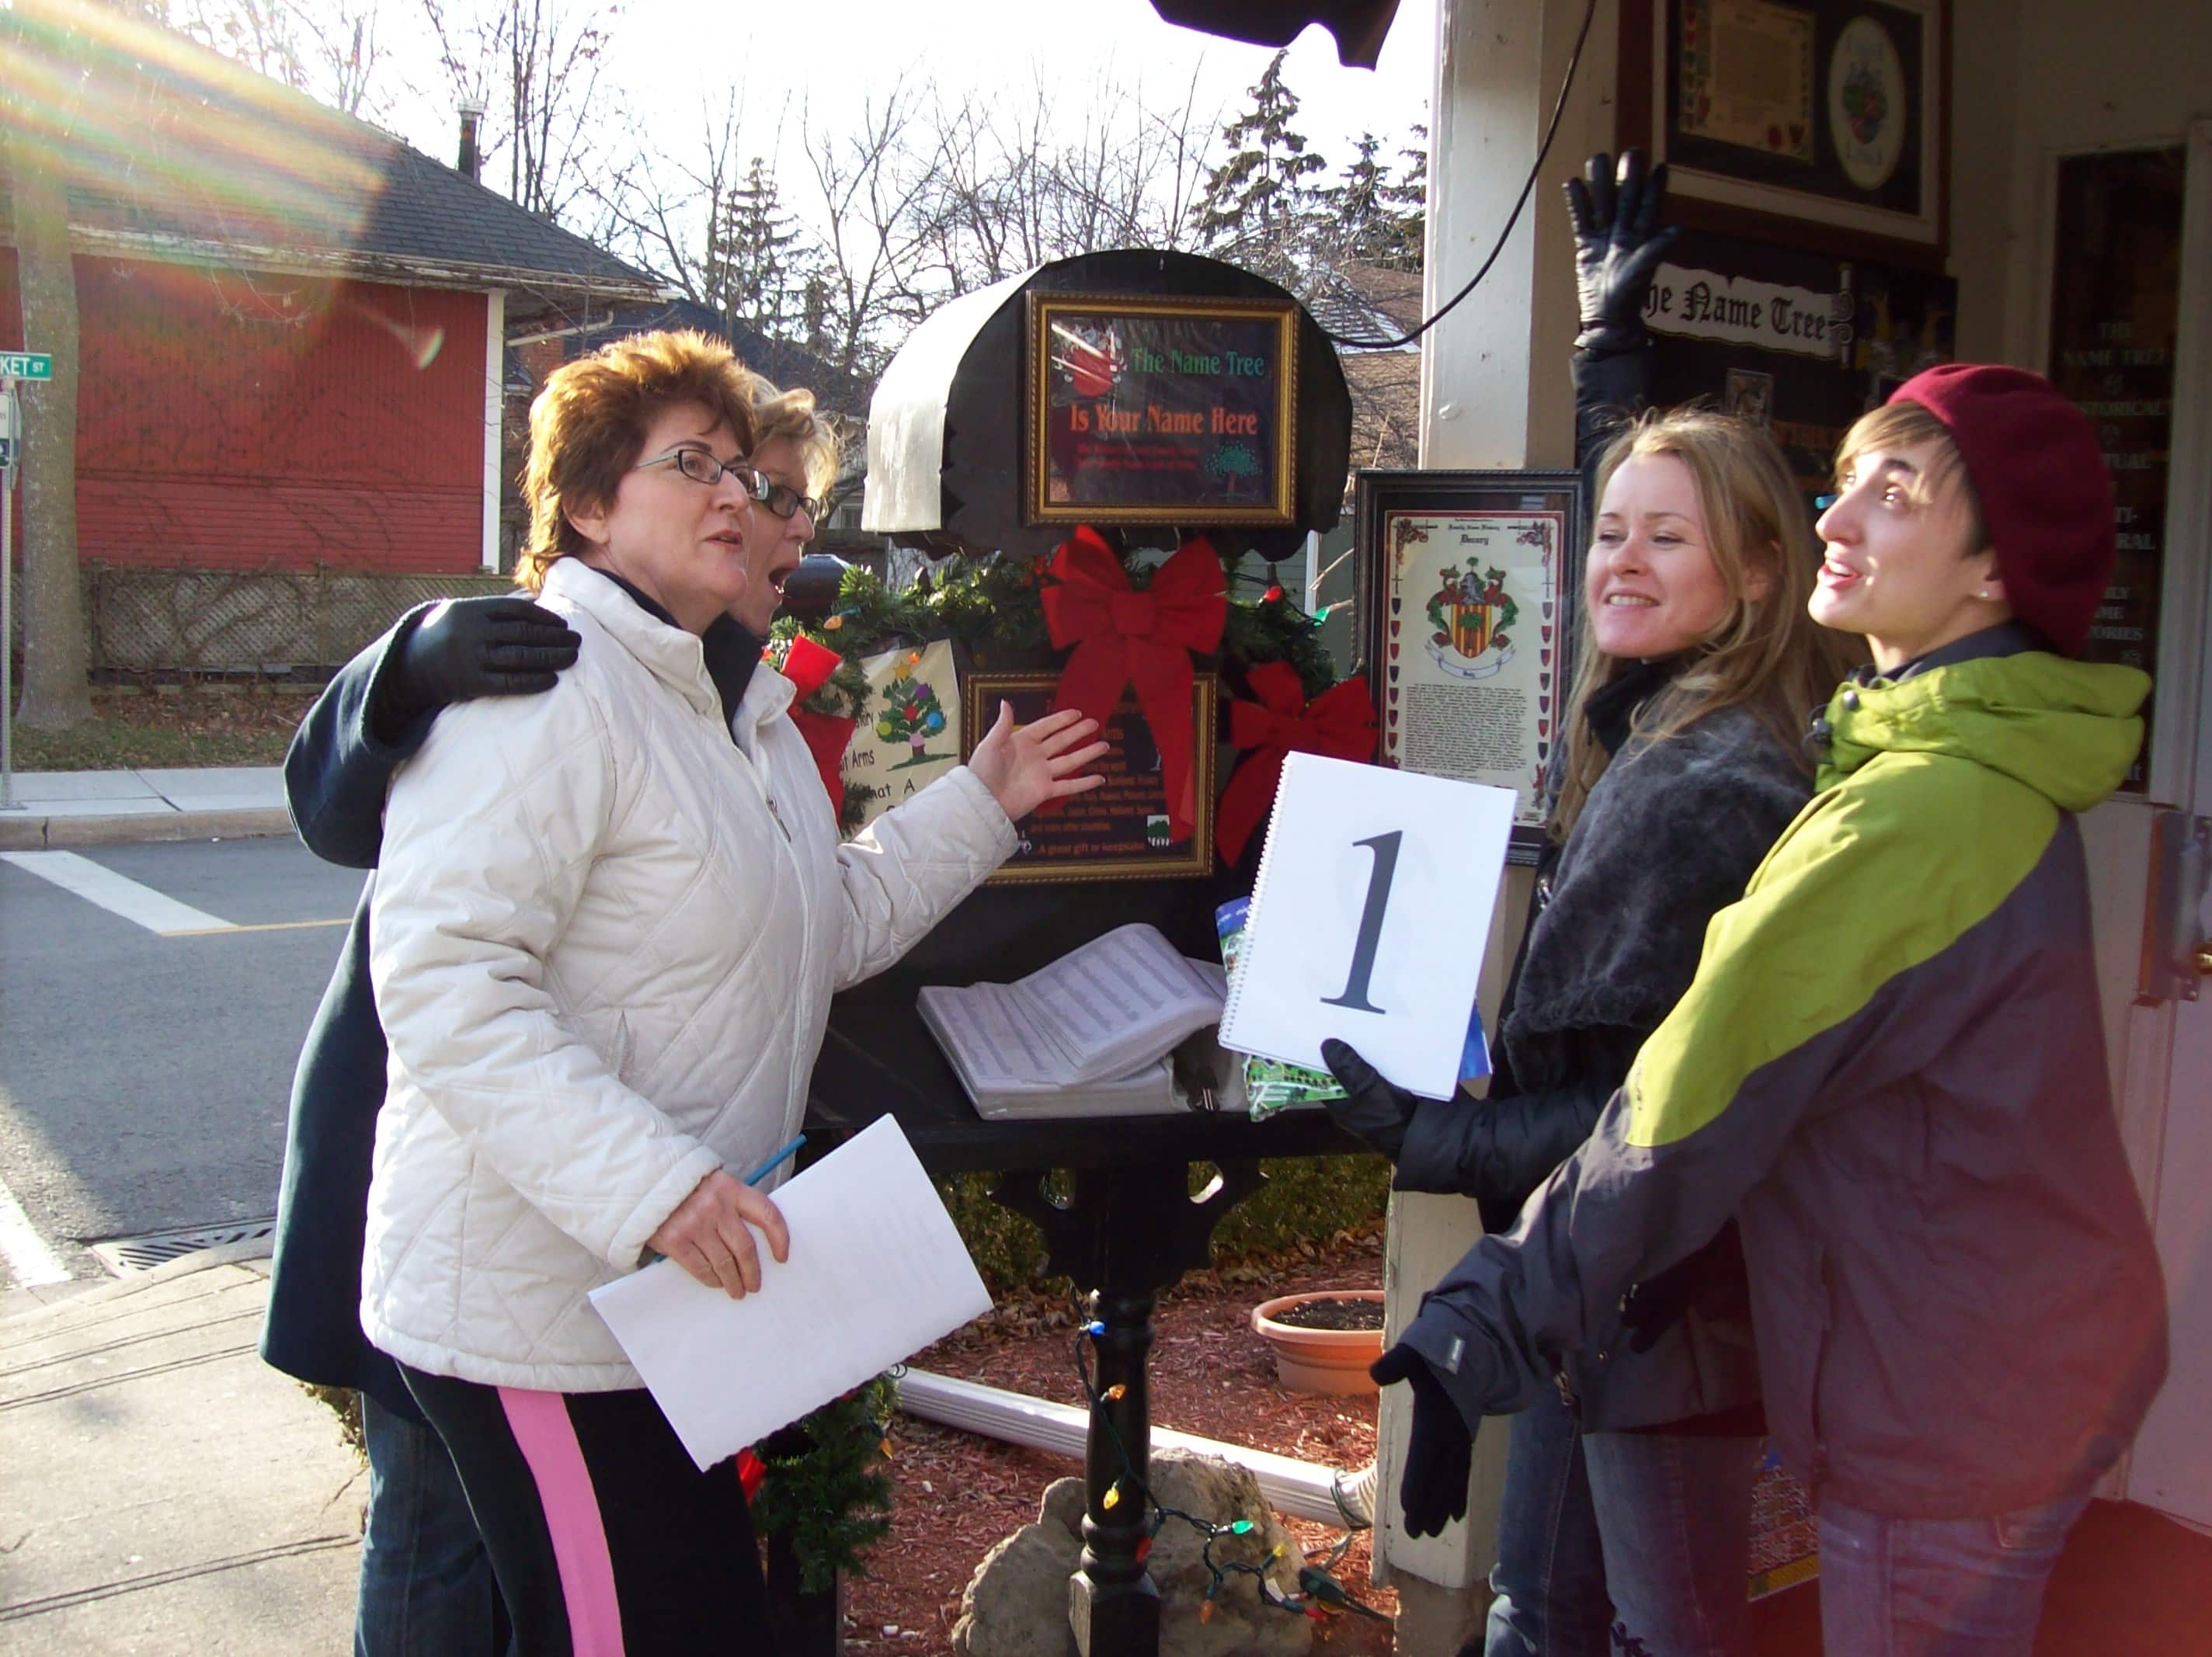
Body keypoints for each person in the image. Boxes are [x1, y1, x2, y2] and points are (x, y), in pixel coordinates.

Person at [1337, 363, 2170, 1657]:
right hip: (2010, 1368)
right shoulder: (1933, 765)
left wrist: (1481, 1314)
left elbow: (1682, 1104)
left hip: (1946, 1409)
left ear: (1998, 572)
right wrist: (1612, 346)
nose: (1838, 516)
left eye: (1891, 496)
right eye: (1844, 485)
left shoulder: (1914, 811)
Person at [328, 328, 1104, 1653]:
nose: (735, 494)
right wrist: (658, 1189)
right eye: (690, 465)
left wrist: (983, 803)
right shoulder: (543, 685)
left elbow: (827, 921)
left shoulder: (719, 701)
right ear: (584, 504)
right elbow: (449, 980)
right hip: (542, 1321)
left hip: (664, 1318)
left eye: (742, 467)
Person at [1322, 155, 1861, 1657]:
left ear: (1757, 576)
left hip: (1669, 1305)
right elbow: (1653, 514)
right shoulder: (1674, 716)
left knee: (1644, 1628)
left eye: (1662, 538)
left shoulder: (1711, 781)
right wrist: (1607, 364)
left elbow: (1659, 1102)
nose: (1617, 557)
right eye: (1609, 532)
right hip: (1610, 1297)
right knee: (1539, 1605)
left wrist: (1440, 1138)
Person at [266, 591, 579, 1657]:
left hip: (562, 1204)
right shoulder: (530, 648)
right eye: (718, 474)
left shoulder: (728, 686)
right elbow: (328, 803)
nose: (757, 518)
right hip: (429, 1175)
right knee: (433, 1535)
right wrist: (404, 668)